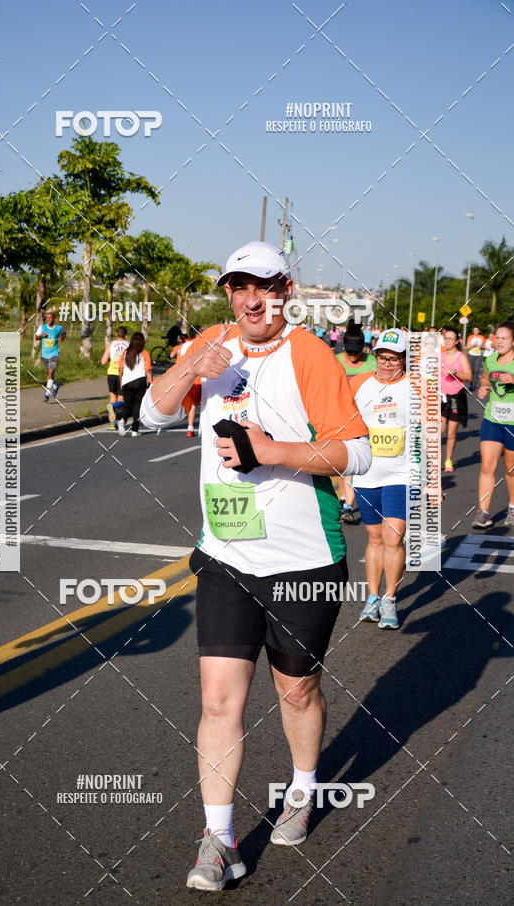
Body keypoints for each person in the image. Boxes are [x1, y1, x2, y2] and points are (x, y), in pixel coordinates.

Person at [139, 240, 371, 891]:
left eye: (263, 286)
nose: (250, 298)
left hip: (304, 559)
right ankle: (219, 840)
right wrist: (189, 371)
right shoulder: (211, 343)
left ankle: (302, 786)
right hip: (226, 557)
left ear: (285, 290)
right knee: (218, 702)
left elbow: (355, 455)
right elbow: (151, 416)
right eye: (239, 286)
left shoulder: (311, 356)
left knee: (295, 688)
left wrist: (273, 452)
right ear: (229, 292)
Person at [350, 328, 410, 630]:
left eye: (394, 359)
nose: (387, 364)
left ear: (404, 359)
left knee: (393, 537)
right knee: (374, 538)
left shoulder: (416, 387)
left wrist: (430, 481)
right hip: (368, 473)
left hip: (401, 473)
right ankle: (372, 597)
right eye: (382, 358)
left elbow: (430, 433)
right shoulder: (360, 385)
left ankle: (389, 598)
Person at [474, 321, 514, 528]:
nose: (498, 341)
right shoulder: (490, 360)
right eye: (497, 337)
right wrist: (482, 390)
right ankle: (483, 512)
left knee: (510, 468)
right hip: (493, 419)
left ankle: (513, 508)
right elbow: (485, 381)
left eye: (504, 338)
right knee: (487, 465)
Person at [335, 321, 376, 523]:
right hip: (339, 418)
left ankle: (347, 504)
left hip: (367, 420)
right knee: (345, 465)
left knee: (359, 463)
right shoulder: (333, 361)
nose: (353, 357)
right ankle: (345, 502)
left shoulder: (372, 363)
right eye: (350, 353)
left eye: (356, 352)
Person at [440, 327, 472, 472]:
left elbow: (469, 377)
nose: (448, 341)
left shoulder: (461, 357)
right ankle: (434, 459)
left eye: (451, 338)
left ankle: (448, 459)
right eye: (446, 338)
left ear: (457, 341)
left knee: (451, 433)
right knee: (438, 430)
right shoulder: (438, 356)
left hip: (456, 397)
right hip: (440, 396)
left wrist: (456, 372)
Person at [116, 332, 152, 436]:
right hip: (139, 381)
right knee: (137, 405)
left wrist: (121, 382)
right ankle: (135, 430)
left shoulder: (125, 353)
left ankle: (122, 420)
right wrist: (151, 382)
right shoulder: (144, 353)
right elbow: (148, 369)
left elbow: (120, 369)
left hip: (126, 381)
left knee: (127, 404)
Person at [101, 326, 129, 430]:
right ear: (126, 336)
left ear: (116, 334)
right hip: (123, 373)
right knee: (122, 399)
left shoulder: (111, 345)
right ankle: (116, 415)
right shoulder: (129, 345)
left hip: (111, 373)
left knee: (113, 397)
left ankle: (113, 423)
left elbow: (103, 361)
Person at [35, 308, 66, 401]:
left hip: (54, 353)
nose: (48, 319)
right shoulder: (42, 327)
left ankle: (47, 394)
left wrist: (62, 338)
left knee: (50, 373)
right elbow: (36, 337)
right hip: (45, 354)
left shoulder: (58, 328)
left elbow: (64, 333)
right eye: (47, 318)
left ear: (54, 319)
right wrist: (41, 336)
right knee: (50, 376)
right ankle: (55, 386)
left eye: (50, 318)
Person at [466, 326, 485, 391]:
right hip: (471, 355)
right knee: (471, 371)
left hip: (478, 356)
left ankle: (474, 385)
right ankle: (471, 384)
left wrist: (481, 346)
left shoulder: (482, 337)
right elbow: (468, 347)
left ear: (479, 331)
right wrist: (473, 345)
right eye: (474, 330)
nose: (475, 331)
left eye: (476, 330)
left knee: (477, 371)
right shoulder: (470, 337)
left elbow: (484, 346)